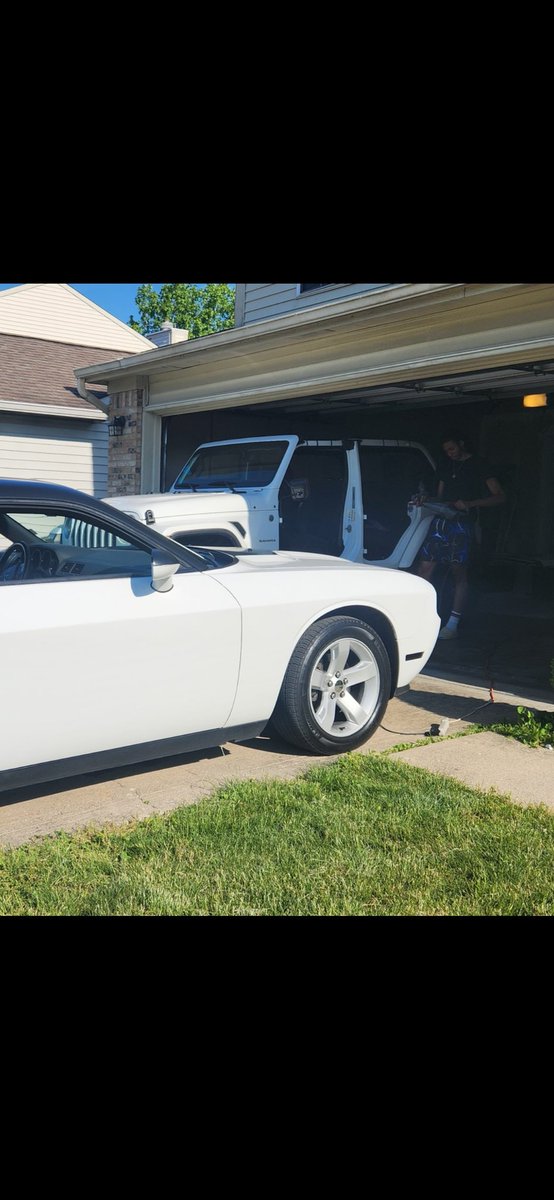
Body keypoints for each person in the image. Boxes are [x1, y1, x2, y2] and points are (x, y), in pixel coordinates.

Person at [416, 430, 506, 639]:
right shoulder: (445, 465)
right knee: (424, 567)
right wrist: (424, 499)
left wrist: (470, 503)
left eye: (452, 448)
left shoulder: (480, 465)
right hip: (441, 522)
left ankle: (452, 624)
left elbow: (500, 497)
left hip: (463, 523)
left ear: (462, 444)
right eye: (446, 450)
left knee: (458, 572)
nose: (450, 453)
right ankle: (421, 618)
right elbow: (439, 497)